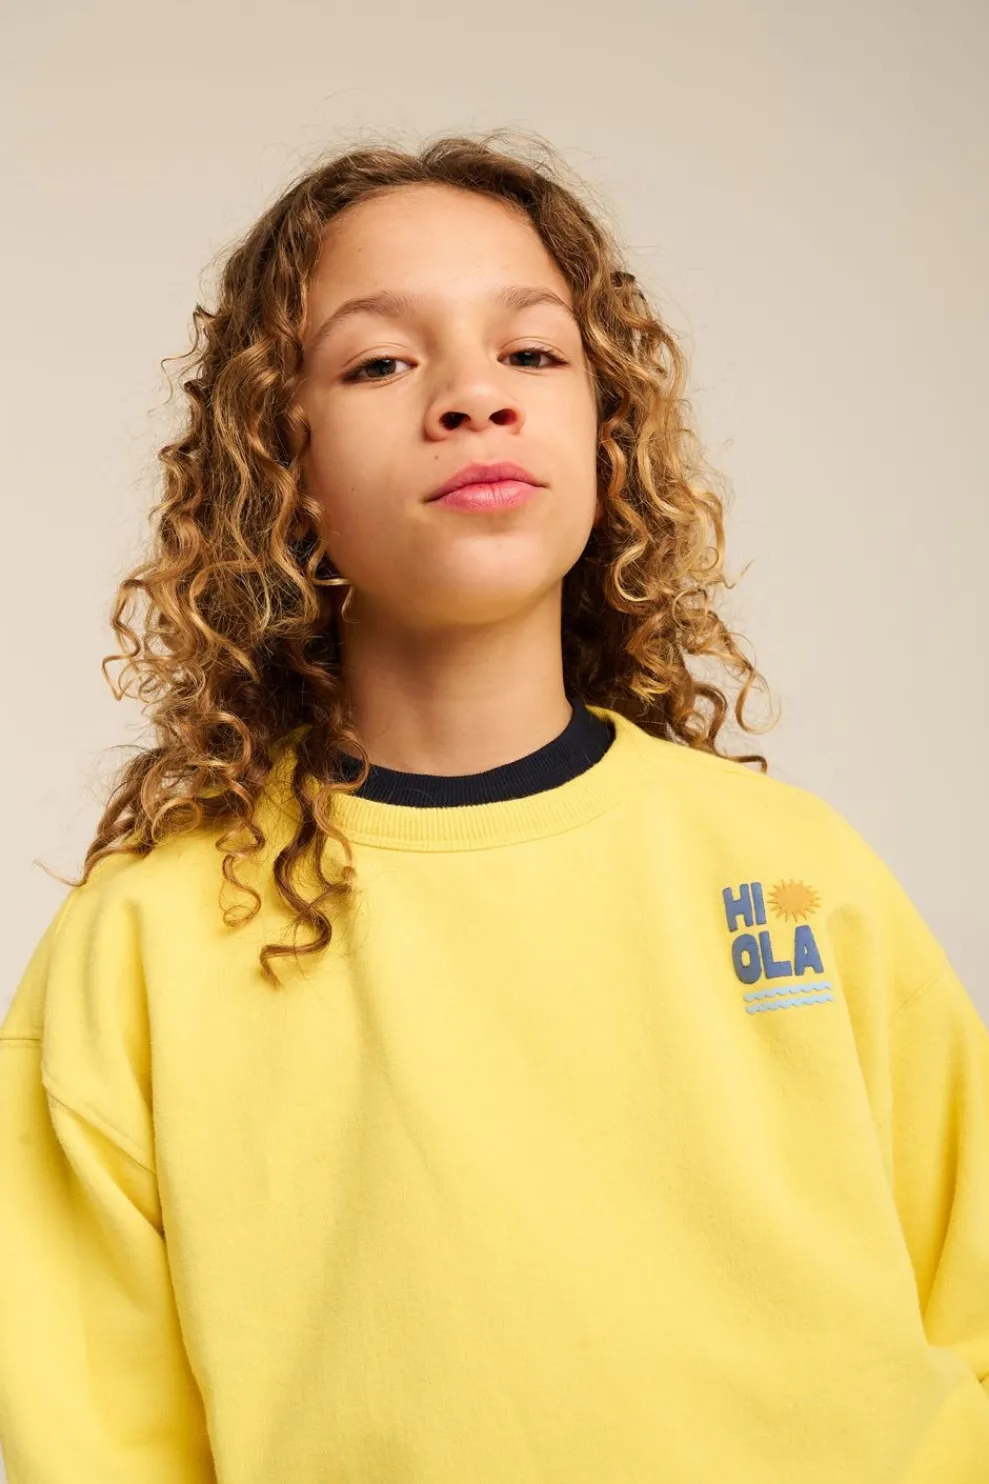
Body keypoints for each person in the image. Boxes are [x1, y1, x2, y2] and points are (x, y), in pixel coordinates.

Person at [0, 129, 986, 1484]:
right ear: (281, 469)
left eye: (531, 352)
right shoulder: (142, 950)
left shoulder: (796, 875)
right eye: (379, 363)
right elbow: (91, 1444)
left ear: (610, 440)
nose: (474, 397)